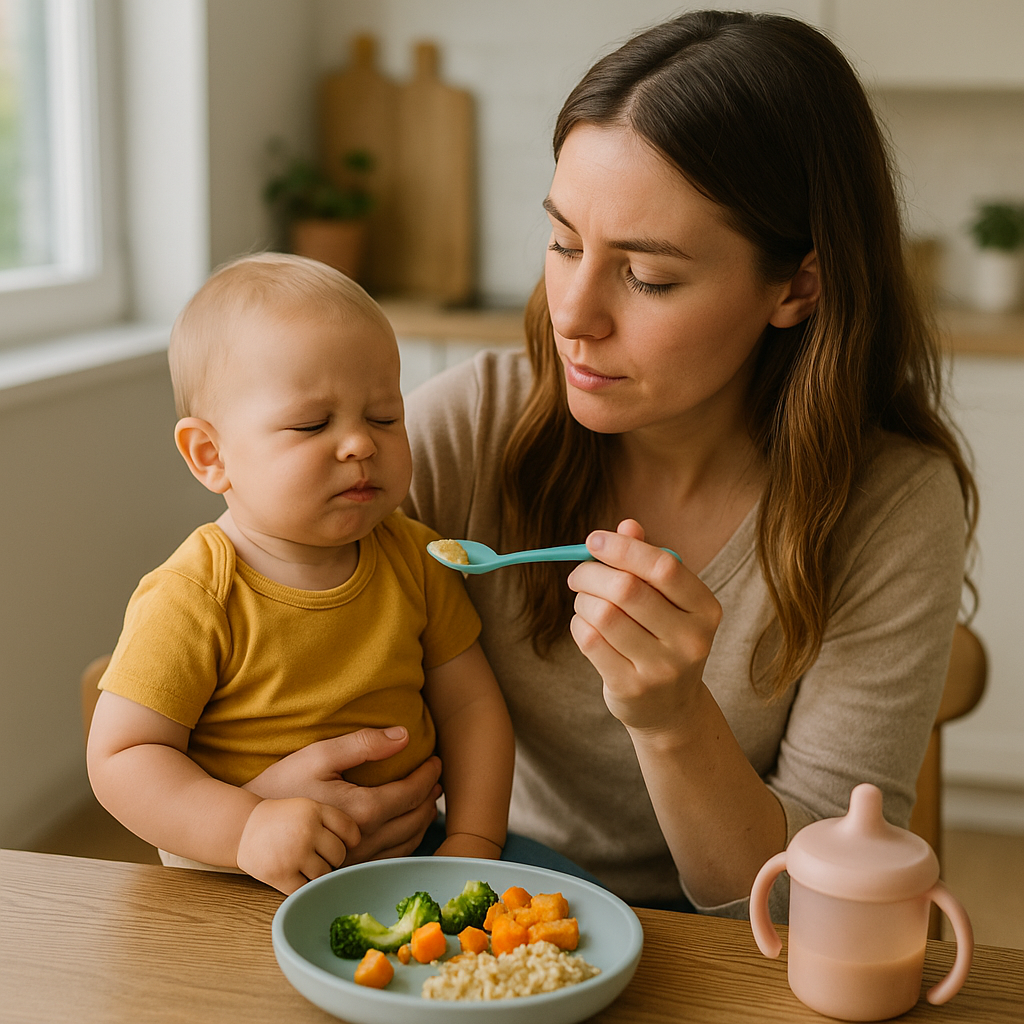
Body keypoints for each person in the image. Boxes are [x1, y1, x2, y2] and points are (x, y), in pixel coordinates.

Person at [227, 11, 978, 920]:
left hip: (719, 965)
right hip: (485, 917)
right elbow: (229, 627)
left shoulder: (890, 506)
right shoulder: (467, 427)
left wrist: (671, 719)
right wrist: (254, 800)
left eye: (648, 277)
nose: (571, 313)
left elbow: (805, 906)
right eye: (563, 242)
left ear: (796, 287)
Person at [86, 253, 515, 894]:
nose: (360, 444)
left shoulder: (416, 560)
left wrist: (473, 843)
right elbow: (122, 759)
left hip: (412, 860)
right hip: (241, 882)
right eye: (313, 424)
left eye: (384, 417)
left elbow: (474, 708)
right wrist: (246, 828)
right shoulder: (196, 594)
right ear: (211, 455)